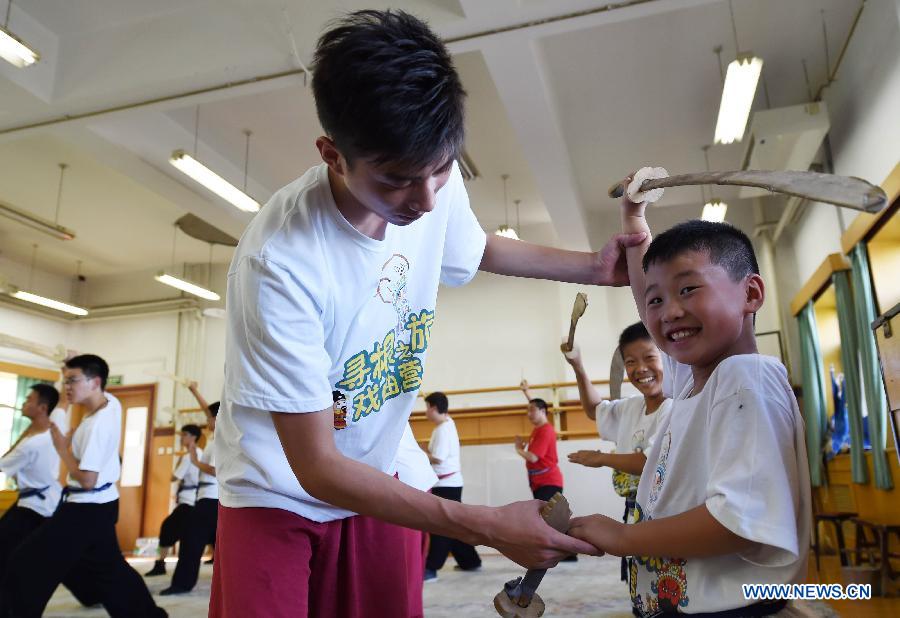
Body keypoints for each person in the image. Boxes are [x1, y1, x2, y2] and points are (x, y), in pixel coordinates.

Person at [210, 10, 645, 617]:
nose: (425, 200)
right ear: (333, 155)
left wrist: (595, 269)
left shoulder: (430, 177)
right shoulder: (280, 261)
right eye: (396, 181)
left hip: (381, 473)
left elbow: (476, 246)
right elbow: (315, 466)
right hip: (277, 491)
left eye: (442, 170)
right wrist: (482, 524)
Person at [568, 192, 811, 616]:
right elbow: (647, 300)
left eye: (689, 289)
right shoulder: (696, 379)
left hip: (729, 607)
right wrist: (633, 220)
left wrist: (623, 538)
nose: (669, 312)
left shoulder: (744, 376)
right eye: (659, 300)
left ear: (750, 294)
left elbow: (739, 522)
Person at [1, 354, 166, 618]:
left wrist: (63, 450)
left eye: (73, 381)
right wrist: (66, 379)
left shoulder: (97, 427)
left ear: (95, 382)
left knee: (25, 564)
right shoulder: (111, 402)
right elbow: (61, 413)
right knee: (109, 570)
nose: (67, 387)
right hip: (99, 505)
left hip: (86, 508)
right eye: (66, 381)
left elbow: (87, 481)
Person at [564, 323, 672, 581]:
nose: (641, 369)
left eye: (649, 358)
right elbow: (594, 409)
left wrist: (601, 458)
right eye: (631, 362)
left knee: (666, 583)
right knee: (643, 583)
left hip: (667, 514)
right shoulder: (632, 407)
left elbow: (651, 462)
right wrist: (577, 365)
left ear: (668, 359)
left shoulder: (676, 406)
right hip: (635, 509)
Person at [0, 384, 63, 582]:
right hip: (48, 500)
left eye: (29, 400)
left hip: (36, 505)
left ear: (43, 408)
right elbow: (62, 405)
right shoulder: (52, 427)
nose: (24, 403)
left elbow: (2, 465)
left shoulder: (32, 444)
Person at [160, 383, 218, 595]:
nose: (206, 420)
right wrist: (194, 391)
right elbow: (210, 410)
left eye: (209, 418)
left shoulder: (220, 436)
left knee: (191, 539)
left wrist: (194, 459)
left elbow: (215, 471)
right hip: (208, 498)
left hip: (210, 499)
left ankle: (181, 584)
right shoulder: (215, 435)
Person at [422, 392, 481, 582]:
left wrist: (420, 453)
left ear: (433, 407)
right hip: (449, 483)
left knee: (442, 526)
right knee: (454, 524)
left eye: (427, 407)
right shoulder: (447, 423)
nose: (425, 412)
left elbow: (438, 457)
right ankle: (470, 561)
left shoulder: (443, 429)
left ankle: (431, 568)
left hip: (446, 485)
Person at [144, 424, 203, 577]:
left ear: (193, 437)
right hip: (197, 500)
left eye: (184, 434)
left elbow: (174, 477)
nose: (181, 438)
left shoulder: (188, 456)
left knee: (167, 528)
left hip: (188, 501)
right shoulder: (201, 453)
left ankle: (160, 564)